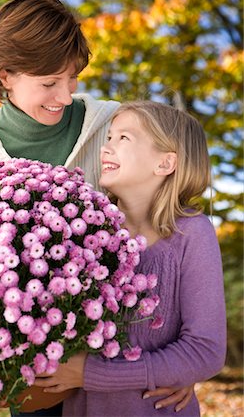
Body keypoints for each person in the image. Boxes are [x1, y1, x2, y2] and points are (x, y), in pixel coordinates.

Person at [0, 0, 195, 416]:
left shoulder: (116, 128)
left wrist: (180, 362)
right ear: (5, 76)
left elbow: (173, 230)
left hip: (125, 363)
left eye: (73, 79)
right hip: (31, 376)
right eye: (49, 83)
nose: (64, 96)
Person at [33, 100, 227, 417]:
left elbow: (205, 351)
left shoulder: (192, 234)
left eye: (124, 138)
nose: (107, 147)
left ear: (165, 163)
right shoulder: (84, 230)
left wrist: (91, 374)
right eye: (109, 138)